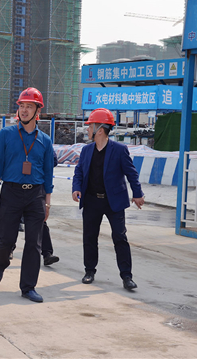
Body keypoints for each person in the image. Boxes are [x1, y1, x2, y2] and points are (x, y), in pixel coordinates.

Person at [0, 87, 53, 303]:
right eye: (22, 106)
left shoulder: (45, 140)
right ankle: (0, 264)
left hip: (36, 195)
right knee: (6, 239)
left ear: (38, 111)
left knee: (34, 243)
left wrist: (47, 203)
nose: (24, 110)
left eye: (29, 107)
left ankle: (28, 287)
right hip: (11, 192)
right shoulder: (6, 134)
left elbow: (48, 174)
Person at [72, 108, 144, 291]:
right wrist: (76, 188)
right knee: (89, 237)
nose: (88, 129)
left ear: (100, 129)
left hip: (114, 202)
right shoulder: (87, 150)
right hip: (91, 200)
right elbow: (79, 171)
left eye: (90, 126)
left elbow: (131, 174)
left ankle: (127, 276)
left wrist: (137, 194)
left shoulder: (119, 150)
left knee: (119, 237)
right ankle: (89, 271)